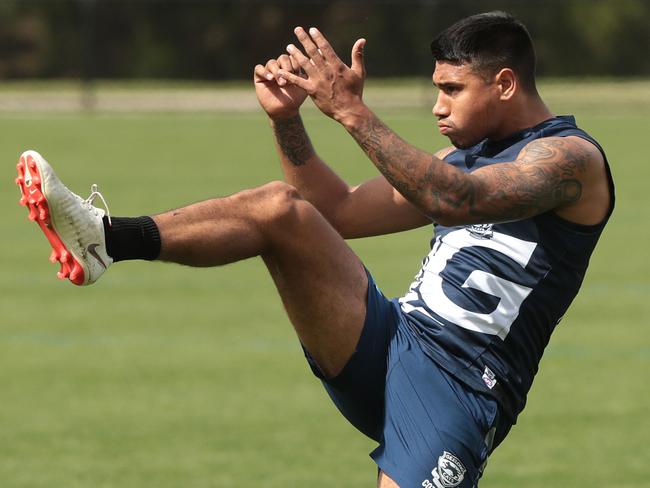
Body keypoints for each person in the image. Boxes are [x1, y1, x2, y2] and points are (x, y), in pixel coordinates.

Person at [16, 11, 614, 488]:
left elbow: (458, 199)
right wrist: (288, 123)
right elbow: (337, 213)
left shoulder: (570, 161)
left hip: (460, 388)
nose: (437, 106)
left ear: (505, 84)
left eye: (452, 89)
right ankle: (106, 239)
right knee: (280, 210)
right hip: (391, 340)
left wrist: (353, 112)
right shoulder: (467, 156)